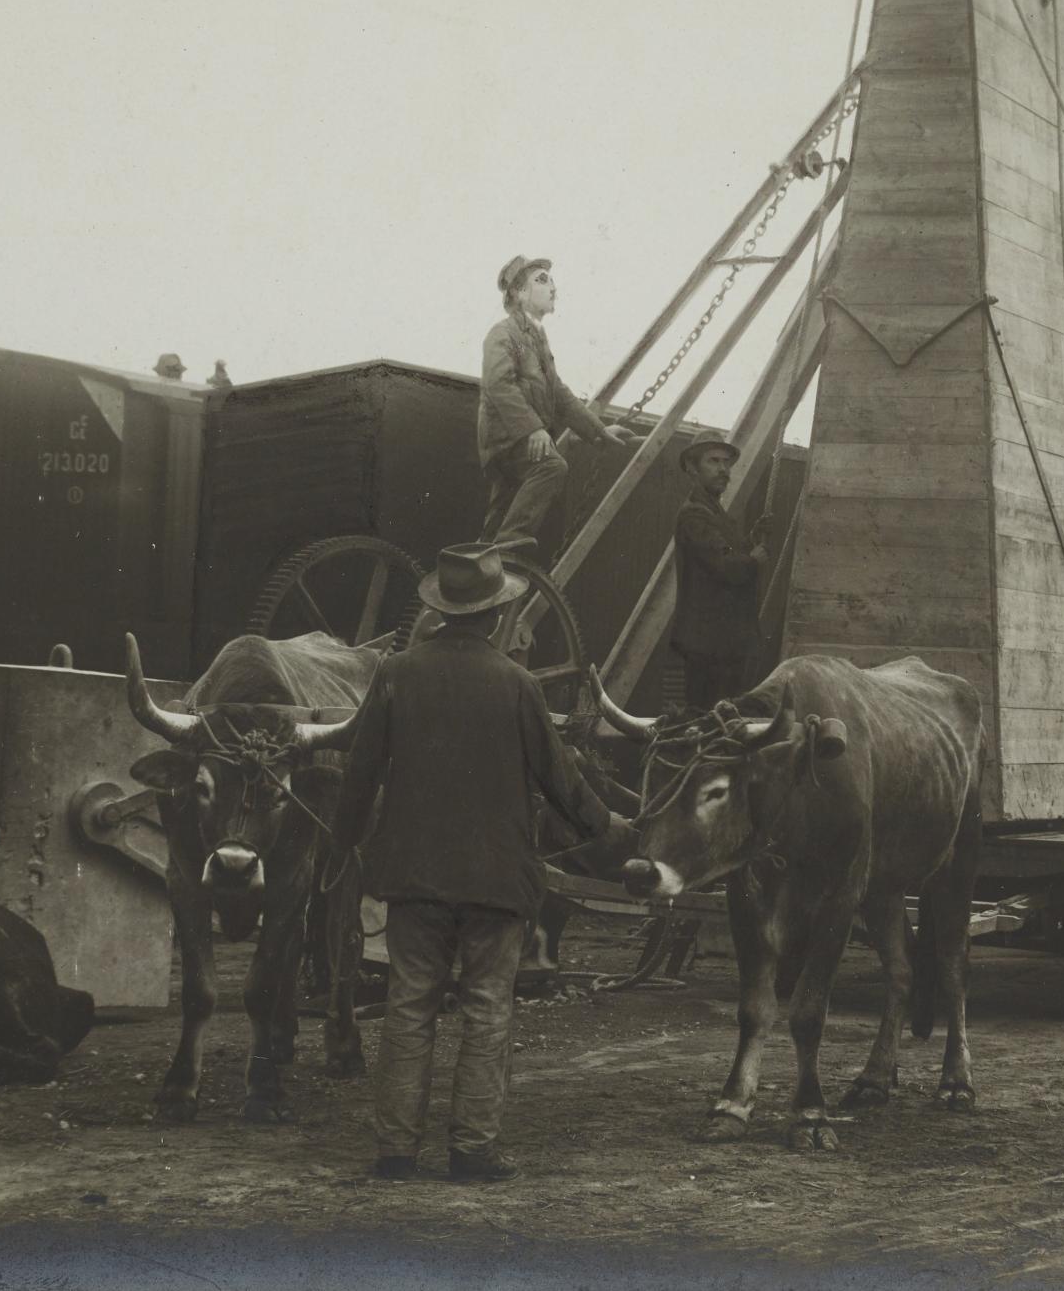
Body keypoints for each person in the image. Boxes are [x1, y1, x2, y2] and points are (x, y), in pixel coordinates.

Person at [330, 542, 630, 1182]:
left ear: (440, 612)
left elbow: (359, 778)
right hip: (497, 882)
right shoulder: (518, 684)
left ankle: (396, 1153)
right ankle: (472, 1153)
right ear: (497, 616)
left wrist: (342, 846)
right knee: (488, 1007)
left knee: (408, 1006)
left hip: (413, 877)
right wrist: (612, 830)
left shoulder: (394, 675)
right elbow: (562, 781)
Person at [477, 256, 639, 555]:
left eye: (551, 280)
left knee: (498, 515)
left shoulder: (537, 340)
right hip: (507, 441)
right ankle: (507, 548)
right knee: (552, 466)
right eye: (541, 280)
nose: (552, 287)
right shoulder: (504, 334)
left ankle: (477, 570)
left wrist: (600, 431)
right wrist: (532, 430)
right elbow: (499, 385)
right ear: (518, 293)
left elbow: (560, 395)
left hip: (520, 442)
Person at [664, 436, 773, 712]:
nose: (723, 469)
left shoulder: (714, 512)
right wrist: (753, 561)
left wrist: (751, 538)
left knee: (720, 719)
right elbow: (725, 566)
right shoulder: (695, 515)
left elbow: (724, 551)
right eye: (714, 461)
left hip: (721, 642)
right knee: (707, 719)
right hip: (708, 645)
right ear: (692, 467)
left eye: (726, 463)